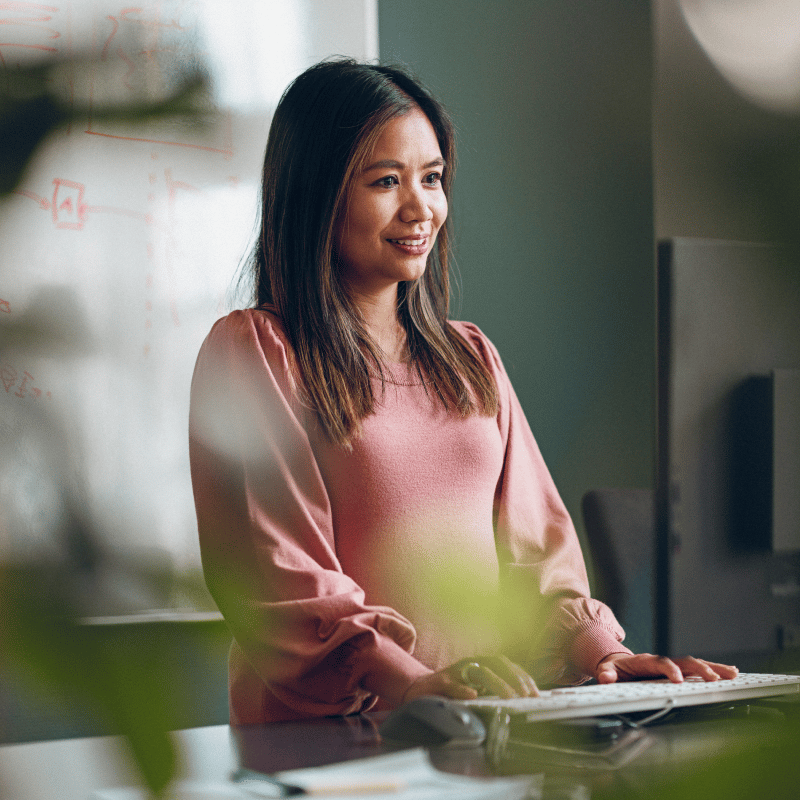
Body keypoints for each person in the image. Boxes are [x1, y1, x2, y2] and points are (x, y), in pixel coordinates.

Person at [188, 58, 737, 725]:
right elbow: (280, 576)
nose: (421, 209)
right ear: (316, 191)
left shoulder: (470, 355)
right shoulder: (257, 353)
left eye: (433, 178)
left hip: (479, 728)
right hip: (334, 739)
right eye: (386, 181)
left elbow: (538, 551)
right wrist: (411, 682)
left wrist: (600, 653)